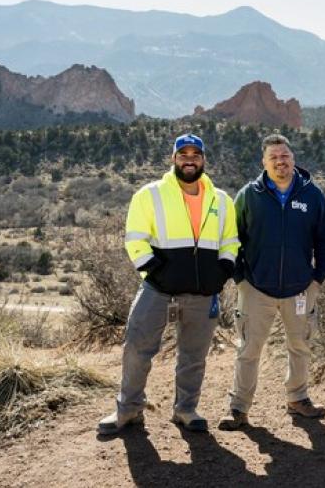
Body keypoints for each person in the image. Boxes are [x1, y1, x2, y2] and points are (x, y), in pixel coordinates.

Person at [97, 133, 239, 435]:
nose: (189, 159)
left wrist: (223, 271)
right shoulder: (150, 195)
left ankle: (186, 410)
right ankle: (129, 409)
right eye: (183, 154)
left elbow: (230, 241)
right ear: (173, 159)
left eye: (195, 154)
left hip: (203, 292)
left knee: (194, 356)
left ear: (203, 159)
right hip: (158, 290)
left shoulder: (222, 200)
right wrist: (153, 272)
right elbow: (135, 237)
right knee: (137, 346)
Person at [218, 134, 325, 430]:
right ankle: (239, 408)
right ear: (264, 162)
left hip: (300, 288)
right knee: (248, 350)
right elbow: (231, 239)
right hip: (256, 288)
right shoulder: (249, 195)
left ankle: (298, 398)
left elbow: (324, 242)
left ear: (293, 159)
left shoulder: (312, 195)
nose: (280, 162)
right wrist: (241, 279)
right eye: (274, 157)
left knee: (300, 346)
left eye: (285, 156)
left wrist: (317, 281)